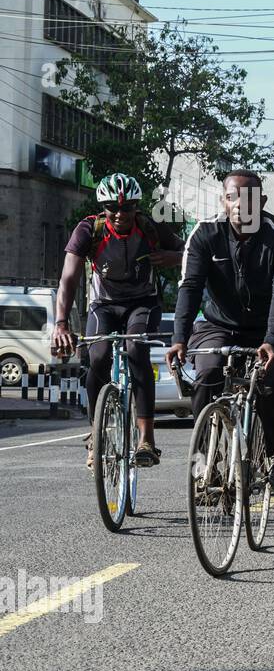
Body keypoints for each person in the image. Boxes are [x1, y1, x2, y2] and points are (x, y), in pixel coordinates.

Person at [167, 169, 274, 495]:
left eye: (248, 199)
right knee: (208, 375)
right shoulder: (204, 235)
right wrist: (178, 338)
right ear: (223, 200)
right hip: (219, 326)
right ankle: (203, 464)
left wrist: (271, 341)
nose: (239, 206)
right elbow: (189, 287)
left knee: (272, 382)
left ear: (262, 202)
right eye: (232, 198)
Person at [51, 173, 184, 469]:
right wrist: (61, 323)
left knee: (137, 351)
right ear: (103, 206)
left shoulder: (151, 227)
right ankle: (95, 433)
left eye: (127, 207)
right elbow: (69, 278)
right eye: (112, 207)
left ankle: (146, 439)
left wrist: (170, 257)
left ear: (137, 206)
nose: (120, 214)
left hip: (142, 304)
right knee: (97, 357)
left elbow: (189, 253)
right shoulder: (89, 229)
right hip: (104, 306)